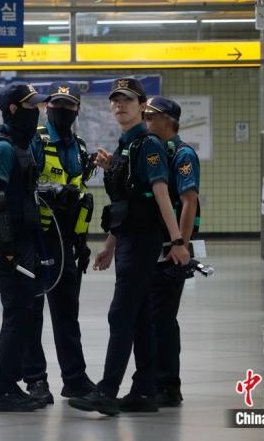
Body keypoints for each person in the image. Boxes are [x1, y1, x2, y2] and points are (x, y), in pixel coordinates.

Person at [68, 78, 190, 416]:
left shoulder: (148, 144)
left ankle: (107, 391)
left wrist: (177, 241)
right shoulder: (126, 146)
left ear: (141, 106)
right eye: (116, 100)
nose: (120, 105)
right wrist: (110, 244)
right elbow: (126, 201)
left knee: (121, 313)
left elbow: (161, 194)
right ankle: (144, 390)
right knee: (139, 316)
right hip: (128, 239)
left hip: (142, 241)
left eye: (128, 100)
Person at [22, 81, 96, 405]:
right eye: (57, 104)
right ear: (46, 107)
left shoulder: (79, 146)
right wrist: (51, 191)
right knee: (32, 314)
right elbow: (23, 186)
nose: (62, 111)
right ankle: (36, 380)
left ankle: (75, 379)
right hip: (38, 239)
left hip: (67, 240)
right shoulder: (35, 141)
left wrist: (82, 241)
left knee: (68, 314)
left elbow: (80, 191)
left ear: (77, 109)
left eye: (69, 106)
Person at [0, 83, 48, 412]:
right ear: (12, 109)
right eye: (30, 105)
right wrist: (7, 248)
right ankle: (2, 390)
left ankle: (10, 385)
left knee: (23, 316)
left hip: (22, 242)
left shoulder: (23, 144)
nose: (36, 111)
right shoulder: (3, 148)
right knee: (17, 316)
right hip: (8, 247)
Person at [144, 96, 201, 407]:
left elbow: (189, 201)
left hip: (171, 249)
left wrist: (181, 244)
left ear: (168, 121)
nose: (147, 122)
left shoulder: (182, 154)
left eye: (151, 117)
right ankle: (155, 381)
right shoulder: (157, 153)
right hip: (156, 246)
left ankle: (168, 386)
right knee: (154, 318)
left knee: (163, 319)